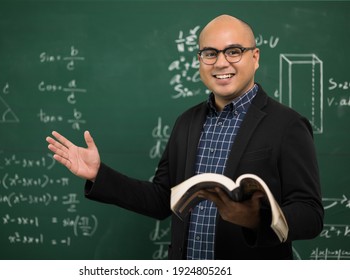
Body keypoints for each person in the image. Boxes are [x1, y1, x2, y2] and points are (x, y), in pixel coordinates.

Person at [46, 14, 324, 259]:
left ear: (255, 57)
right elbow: (162, 200)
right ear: (200, 60)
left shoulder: (288, 125)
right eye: (210, 53)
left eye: (234, 51)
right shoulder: (186, 122)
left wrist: (256, 219)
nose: (221, 62)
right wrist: (98, 174)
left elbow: (311, 215)